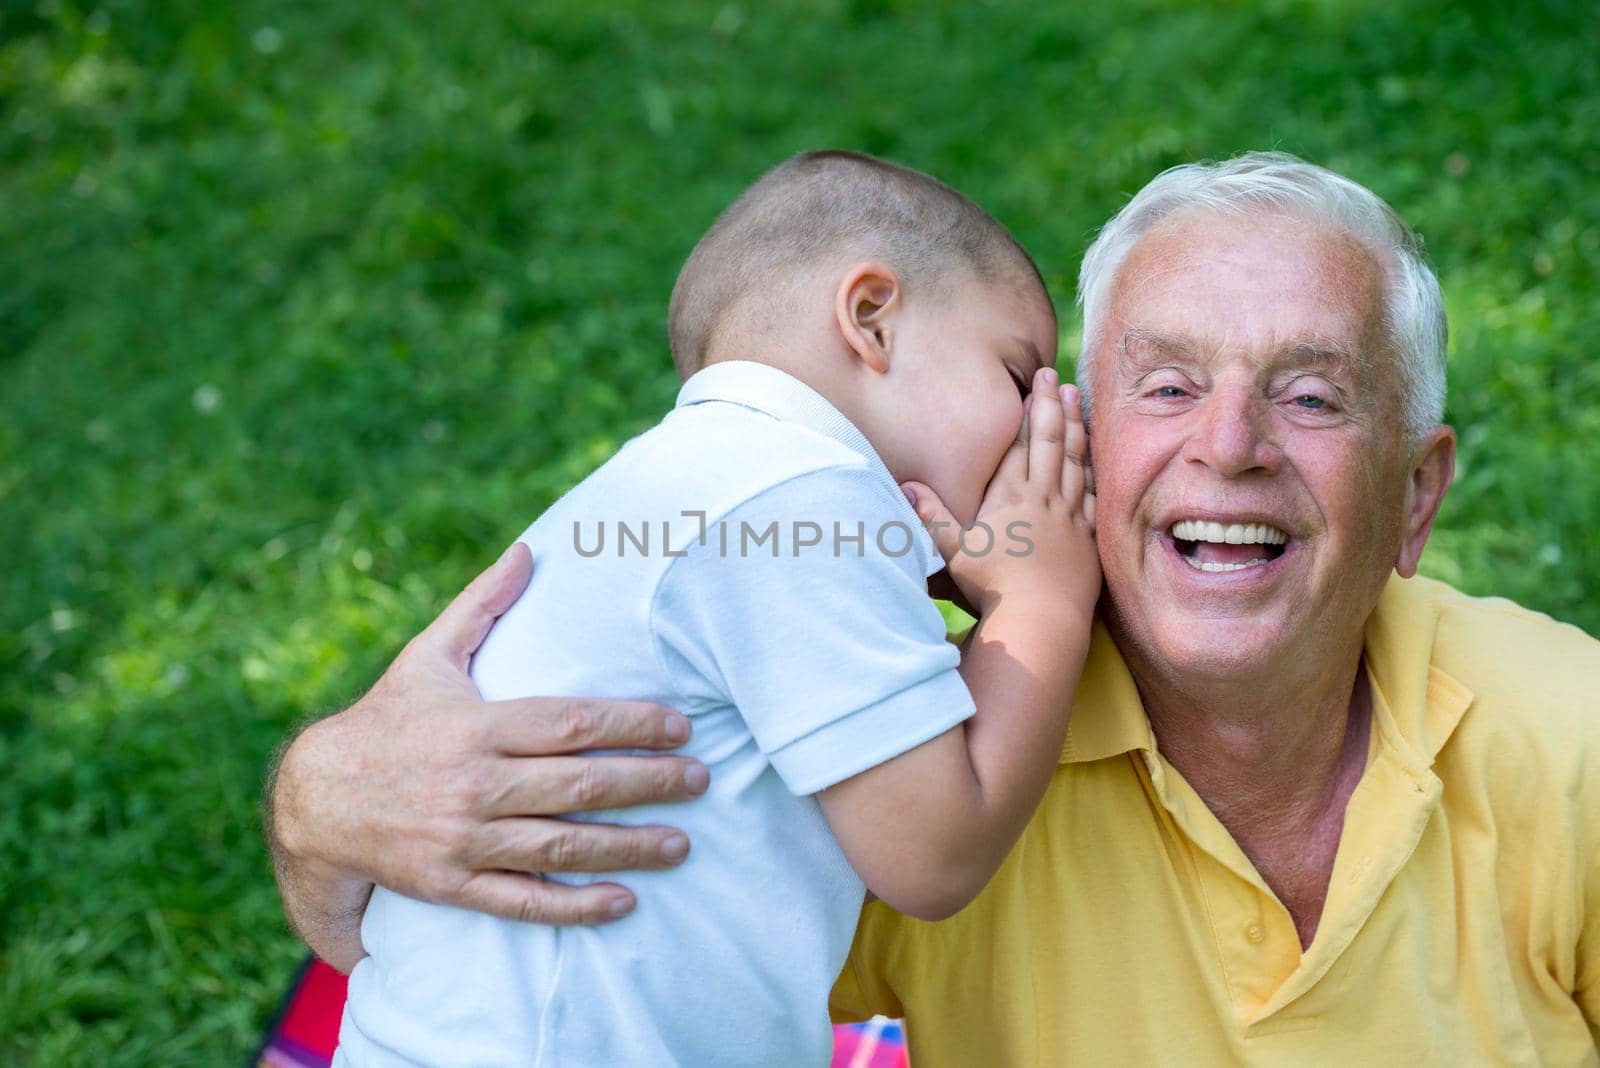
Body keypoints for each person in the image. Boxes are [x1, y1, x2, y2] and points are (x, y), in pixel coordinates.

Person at [269, 152, 1600, 1065]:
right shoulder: (918, 723)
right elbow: (513, 901)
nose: (1232, 444)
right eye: (1165, 385)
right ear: (1086, 440)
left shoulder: (1569, 741)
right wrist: (319, 797)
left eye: (1311, 395)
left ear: (1415, 496)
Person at [327, 150, 1101, 1067]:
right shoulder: (801, 493)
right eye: (1019, 378)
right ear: (871, 320)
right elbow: (935, 854)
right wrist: (1042, 596)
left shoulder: (701, 484)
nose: (1041, 428)